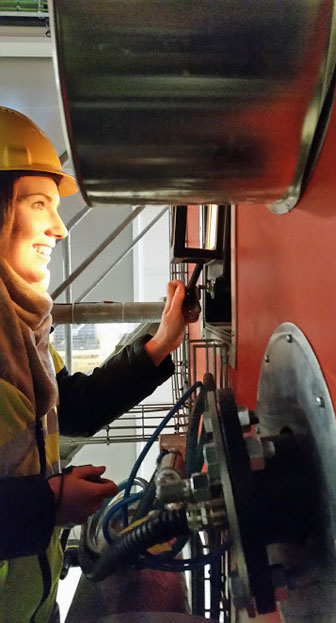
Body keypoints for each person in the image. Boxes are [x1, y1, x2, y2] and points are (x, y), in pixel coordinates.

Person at [0, 107, 187, 623]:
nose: (59, 228)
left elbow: (72, 409)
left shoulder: (22, 329)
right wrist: (45, 505)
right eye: (40, 204)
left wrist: (157, 347)